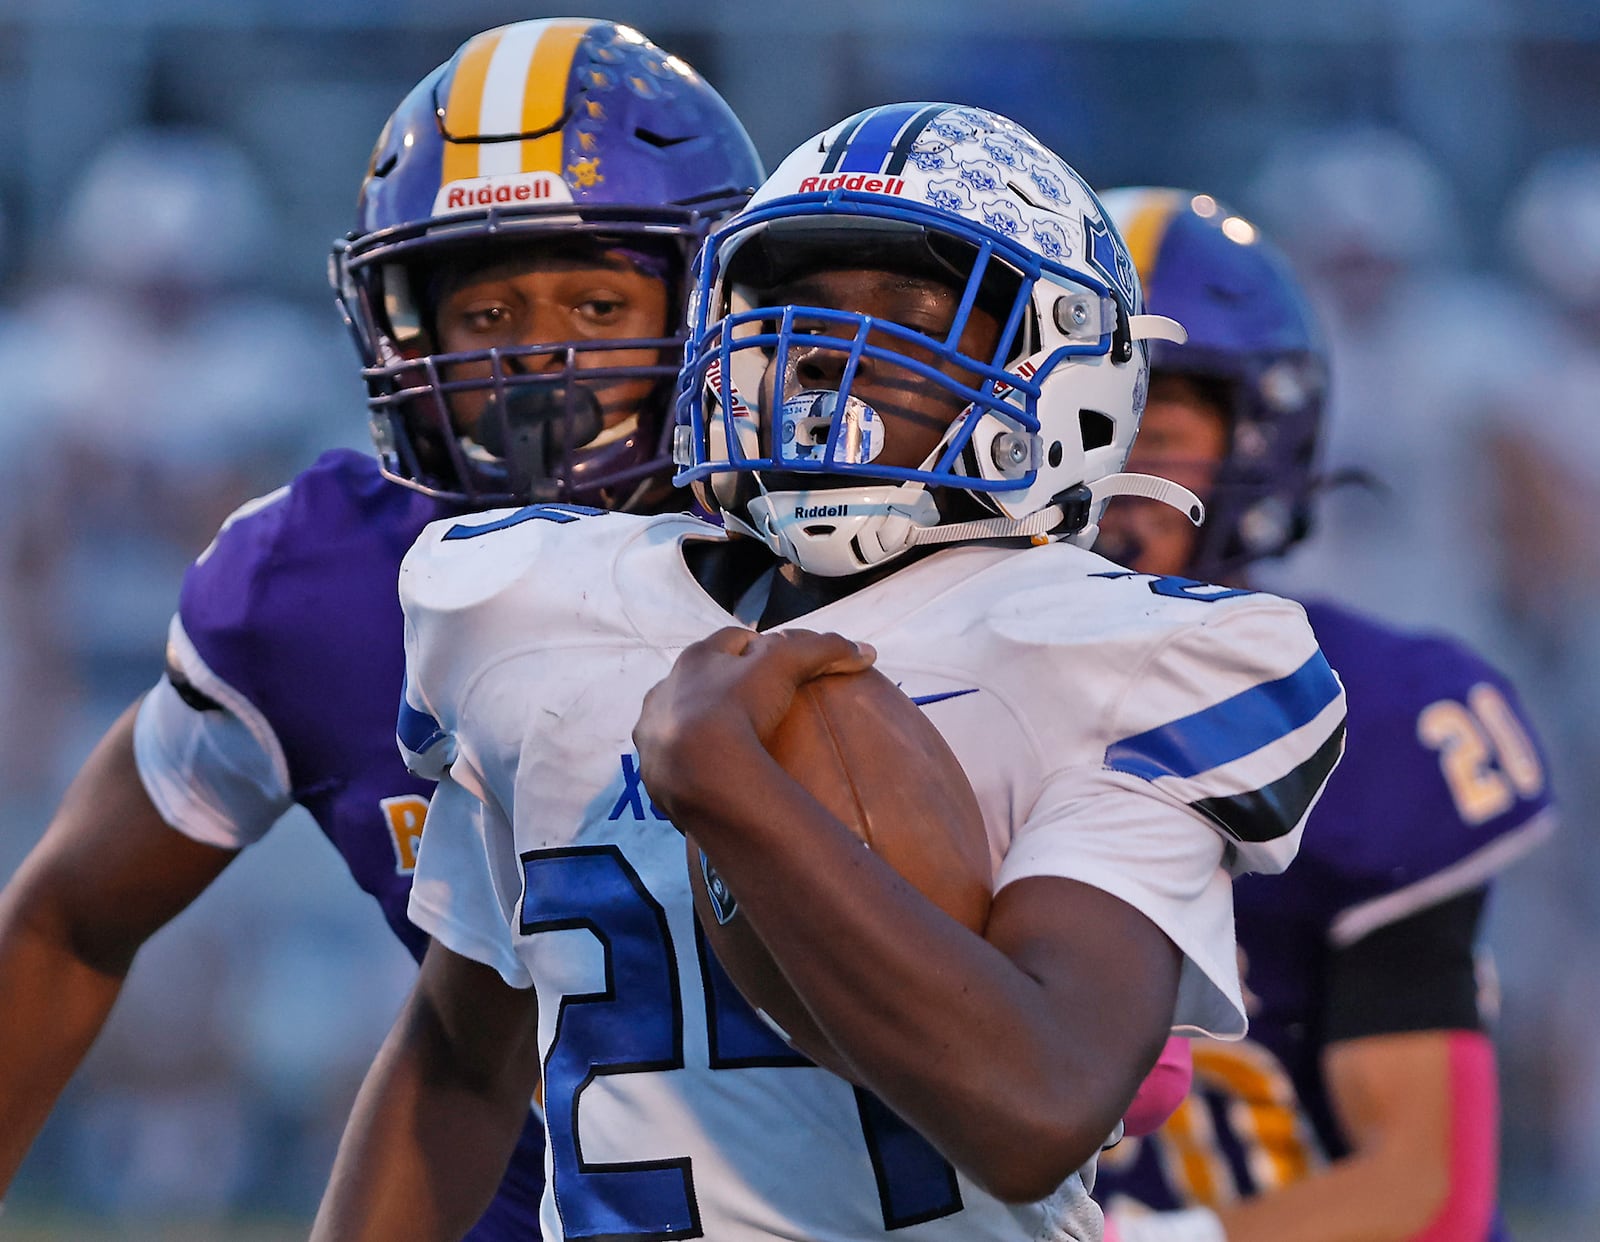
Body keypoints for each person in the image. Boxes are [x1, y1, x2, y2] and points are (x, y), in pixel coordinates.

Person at [312, 103, 1348, 1242]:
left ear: (1062, 367)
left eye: (914, 313)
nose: (834, 358)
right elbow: (462, 1062)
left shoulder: (1135, 654)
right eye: (800, 311)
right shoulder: (525, 598)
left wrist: (729, 786)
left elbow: (1037, 1108)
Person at [0, 16, 763, 1231]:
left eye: (598, 303)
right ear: (401, 323)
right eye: (488, 316)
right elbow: (69, 917)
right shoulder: (328, 585)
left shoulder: (832, 559)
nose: (541, 365)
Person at [1088, 188, 1555, 1242]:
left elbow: (1426, 1194)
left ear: (1260, 444)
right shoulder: (907, 686)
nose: (1095, 485)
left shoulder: (1365, 722)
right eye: (1062, 435)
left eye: (1148, 435)